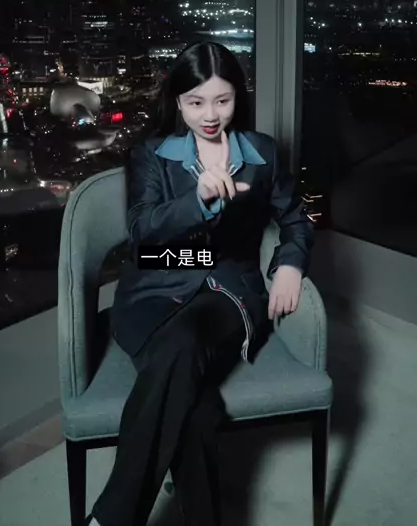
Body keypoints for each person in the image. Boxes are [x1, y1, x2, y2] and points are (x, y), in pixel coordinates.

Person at [87, 41, 314, 526]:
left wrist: (290, 265)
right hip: (152, 288)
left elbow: (296, 221)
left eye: (222, 100)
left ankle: (112, 519)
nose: (210, 115)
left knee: (184, 342)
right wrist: (199, 201)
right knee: (195, 411)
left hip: (227, 293)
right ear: (178, 100)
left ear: (237, 97)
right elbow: (142, 235)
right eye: (195, 102)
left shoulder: (261, 153)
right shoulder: (150, 153)